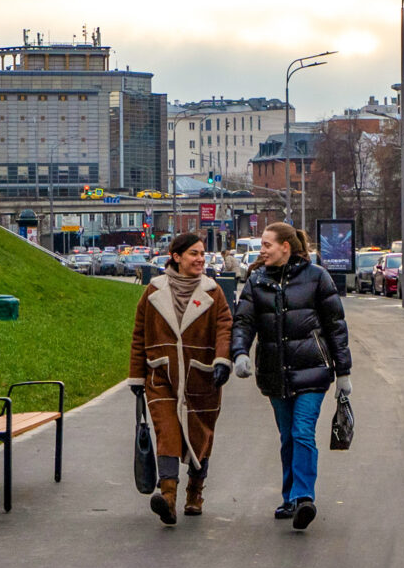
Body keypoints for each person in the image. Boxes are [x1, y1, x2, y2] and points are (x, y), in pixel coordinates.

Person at [231, 222, 350, 531]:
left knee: (302, 432)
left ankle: (303, 497)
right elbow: (244, 322)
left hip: (313, 371)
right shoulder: (257, 281)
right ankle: (289, 498)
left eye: (267, 244)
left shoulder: (317, 277)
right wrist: (240, 353)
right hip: (275, 373)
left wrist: (343, 373)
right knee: (287, 437)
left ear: (285, 247)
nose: (262, 250)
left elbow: (336, 326)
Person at [128, 232, 234, 524]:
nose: (200, 259)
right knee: (167, 432)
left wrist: (222, 360)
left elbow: (225, 328)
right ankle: (168, 497)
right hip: (161, 375)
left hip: (201, 376)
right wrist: (136, 376)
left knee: (201, 435)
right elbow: (139, 335)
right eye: (194, 254)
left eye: (202, 254)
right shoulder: (153, 291)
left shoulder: (213, 292)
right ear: (176, 257)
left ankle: (194, 493)